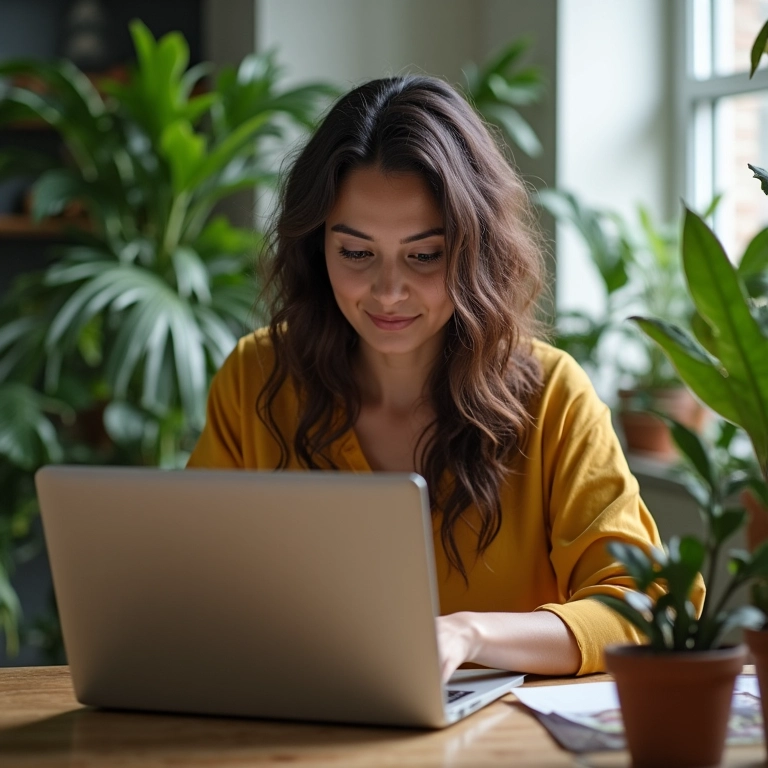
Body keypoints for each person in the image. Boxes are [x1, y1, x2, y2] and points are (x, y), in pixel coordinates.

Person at [187, 75, 702, 681]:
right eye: (355, 253)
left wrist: (468, 634)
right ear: (315, 247)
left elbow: (645, 608)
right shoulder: (256, 378)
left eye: (424, 255)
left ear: (474, 250)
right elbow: (191, 586)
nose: (388, 290)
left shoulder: (552, 395)